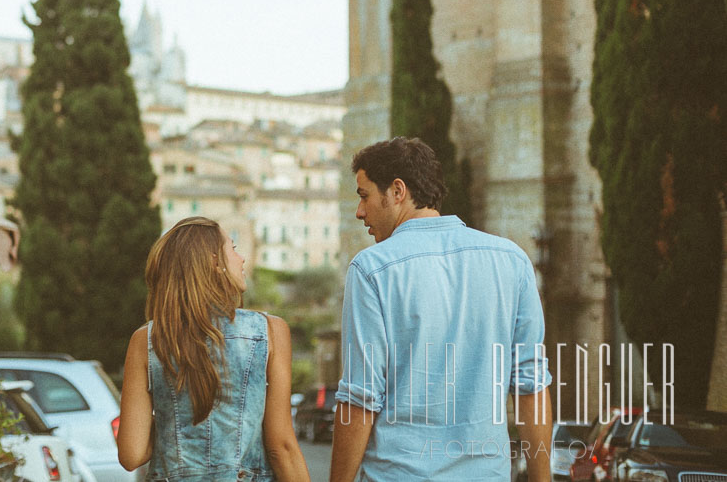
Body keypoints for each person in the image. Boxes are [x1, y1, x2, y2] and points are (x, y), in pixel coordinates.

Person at [329, 137, 554, 482]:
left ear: (397, 190)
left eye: (364, 196)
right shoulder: (512, 261)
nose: (360, 212)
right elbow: (531, 386)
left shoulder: (372, 270)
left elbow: (360, 398)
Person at [117, 216, 310, 482]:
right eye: (233, 248)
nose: (242, 259)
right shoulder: (269, 333)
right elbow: (282, 449)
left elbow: (131, 454)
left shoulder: (146, 340)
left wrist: (173, 422)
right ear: (214, 261)